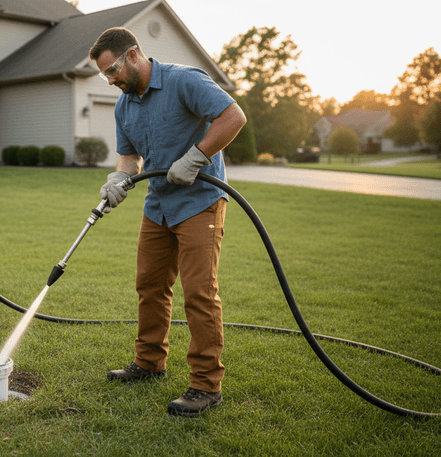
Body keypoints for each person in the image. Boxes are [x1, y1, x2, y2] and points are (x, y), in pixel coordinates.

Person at [88, 27, 246, 417]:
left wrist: (196, 156)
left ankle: (206, 385)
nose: (110, 80)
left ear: (134, 55)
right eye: (104, 76)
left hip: (199, 202)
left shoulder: (183, 81)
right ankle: (149, 362)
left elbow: (233, 116)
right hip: (157, 204)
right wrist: (117, 179)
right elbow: (129, 159)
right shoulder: (124, 106)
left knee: (199, 293)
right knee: (150, 285)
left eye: (112, 71)